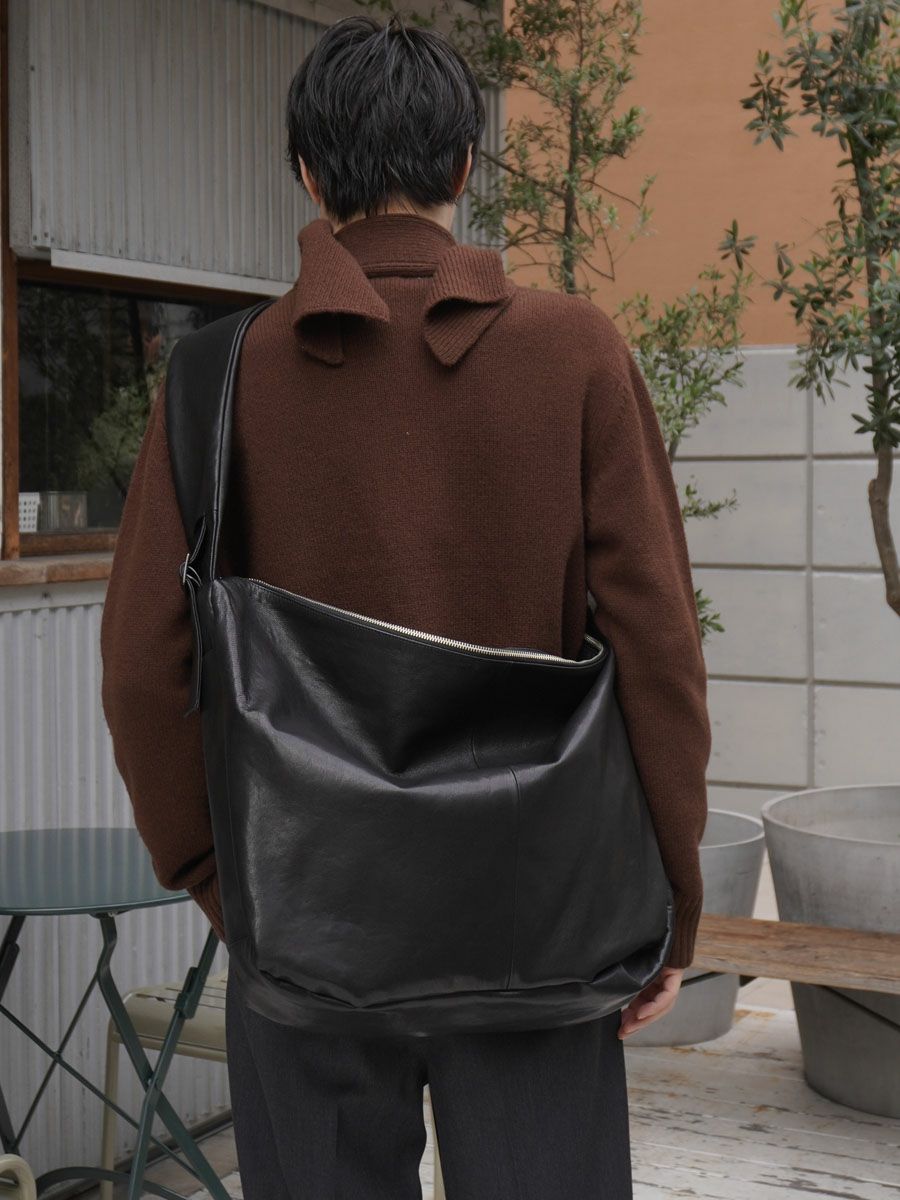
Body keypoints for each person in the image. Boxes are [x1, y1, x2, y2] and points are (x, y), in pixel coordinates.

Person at [100, 13, 710, 1198]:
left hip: (306, 928)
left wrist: (221, 880)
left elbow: (140, 670)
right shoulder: (577, 352)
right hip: (538, 925)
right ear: (465, 166)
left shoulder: (219, 374)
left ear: (308, 173)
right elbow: (657, 649)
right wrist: (670, 908)